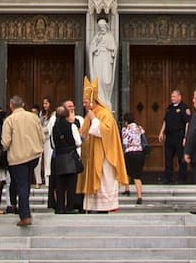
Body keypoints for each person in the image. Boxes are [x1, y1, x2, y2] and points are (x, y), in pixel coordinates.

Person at [78, 78, 130, 213]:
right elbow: (83, 133)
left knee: (105, 179)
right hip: (93, 154)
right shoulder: (91, 113)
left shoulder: (104, 113)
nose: (84, 105)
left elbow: (106, 131)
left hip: (105, 155)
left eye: (85, 102)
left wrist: (93, 119)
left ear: (92, 100)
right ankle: (94, 206)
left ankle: (108, 205)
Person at [0, 97, 44, 227]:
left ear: (11, 106)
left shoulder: (10, 120)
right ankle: (22, 209)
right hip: (33, 155)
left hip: (18, 157)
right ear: (23, 104)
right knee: (25, 184)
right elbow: (42, 136)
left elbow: (6, 142)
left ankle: (25, 215)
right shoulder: (34, 117)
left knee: (22, 186)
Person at [49, 106, 85, 214]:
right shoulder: (72, 126)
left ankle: (60, 207)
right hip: (70, 157)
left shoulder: (54, 128)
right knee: (71, 184)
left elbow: (52, 144)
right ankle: (69, 206)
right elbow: (78, 142)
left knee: (60, 184)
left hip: (59, 157)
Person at [159, 90, 190, 183]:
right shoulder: (169, 108)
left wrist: (186, 137)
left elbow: (187, 123)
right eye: (172, 97)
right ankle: (168, 178)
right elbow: (165, 121)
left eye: (174, 97)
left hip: (179, 136)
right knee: (168, 158)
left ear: (179, 97)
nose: (172, 98)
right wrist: (161, 132)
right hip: (169, 136)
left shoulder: (184, 108)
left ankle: (182, 179)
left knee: (181, 158)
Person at [120, 113, 146, 204]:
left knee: (127, 171)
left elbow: (125, 142)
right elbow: (144, 139)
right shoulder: (139, 128)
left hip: (129, 152)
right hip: (139, 152)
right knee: (137, 175)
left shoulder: (125, 129)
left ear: (126, 121)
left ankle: (127, 189)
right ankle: (139, 195)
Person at [36, 97, 53, 188]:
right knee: (38, 160)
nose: (44, 105)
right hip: (40, 139)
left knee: (47, 159)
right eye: (43, 103)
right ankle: (38, 181)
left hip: (47, 140)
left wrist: (41, 130)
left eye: (46, 103)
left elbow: (49, 128)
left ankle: (47, 181)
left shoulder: (53, 115)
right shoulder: (41, 114)